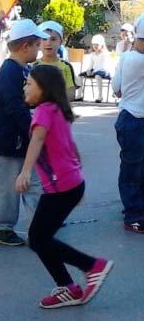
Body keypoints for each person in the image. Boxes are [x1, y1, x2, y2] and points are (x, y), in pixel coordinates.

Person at [16, 65, 114, 308]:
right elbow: (70, 145)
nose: (25, 87)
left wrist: (25, 172)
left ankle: (92, 266)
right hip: (69, 184)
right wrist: (76, 176)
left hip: (62, 186)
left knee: (38, 239)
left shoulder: (43, 111)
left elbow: (37, 140)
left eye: (29, 83)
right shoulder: (56, 109)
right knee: (40, 238)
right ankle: (69, 288)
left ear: (44, 88)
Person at [0, 19, 45, 247]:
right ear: (25, 46)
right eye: (37, 44)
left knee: (32, 184)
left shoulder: (21, 69)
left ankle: (39, 230)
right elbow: (15, 108)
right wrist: (34, 132)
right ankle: (2, 228)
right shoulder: (9, 72)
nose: (39, 48)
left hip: (20, 140)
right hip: (10, 141)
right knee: (10, 188)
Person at [112, 14, 144, 234]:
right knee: (133, 169)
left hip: (128, 115)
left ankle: (134, 209)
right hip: (134, 120)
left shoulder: (125, 57)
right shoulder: (137, 60)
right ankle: (133, 216)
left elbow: (116, 88)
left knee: (135, 167)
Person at [36, 21, 77, 101]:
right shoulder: (33, 66)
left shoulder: (66, 66)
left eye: (53, 39)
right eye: (44, 39)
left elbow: (71, 93)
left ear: (60, 42)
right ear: (38, 42)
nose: (48, 43)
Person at [80, 35, 112, 103]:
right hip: (94, 71)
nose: (95, 46)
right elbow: (91, 65)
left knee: (97, 76)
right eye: (94, 44)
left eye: (97, 44)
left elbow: (104, 67)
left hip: (103, 71)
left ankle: (100, 96)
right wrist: (88, 70)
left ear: (101, 45)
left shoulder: (105, 54)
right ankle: (79, 95)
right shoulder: (93, 54)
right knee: (80, 75)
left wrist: (93, 72)